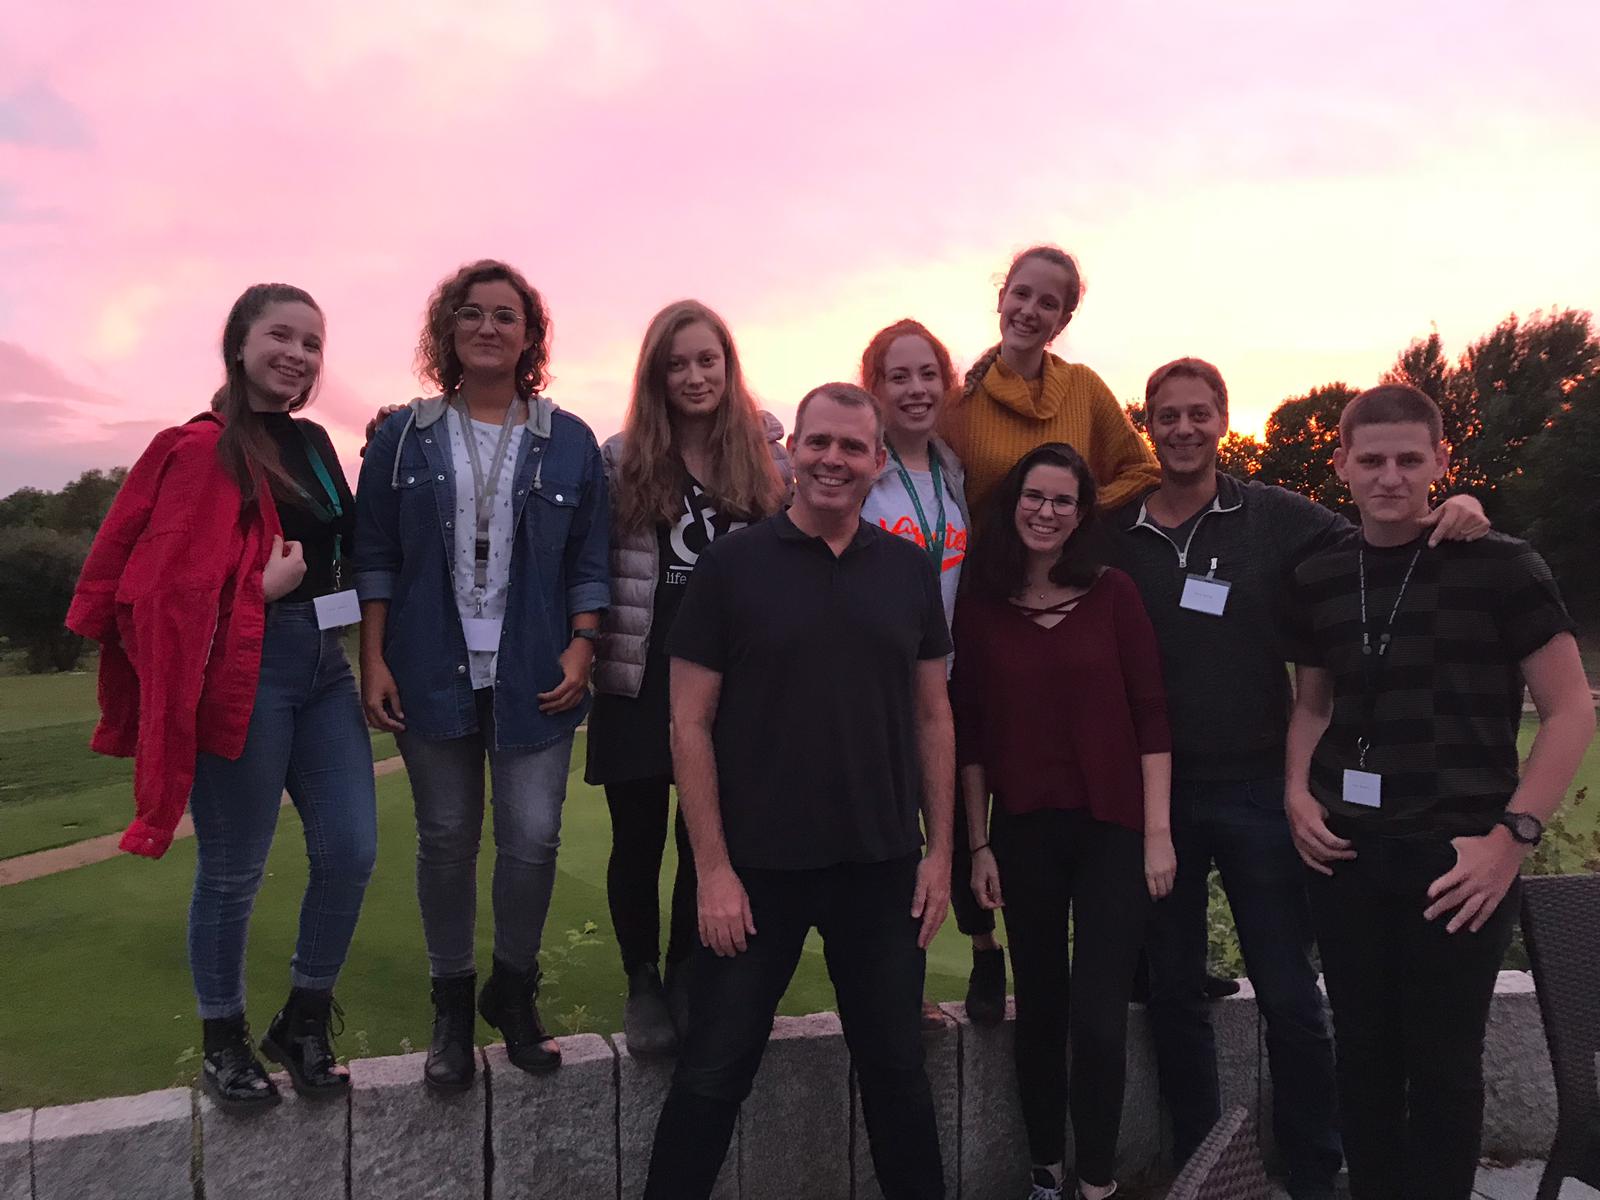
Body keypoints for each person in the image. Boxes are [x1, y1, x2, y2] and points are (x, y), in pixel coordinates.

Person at [1109, 359, 1491, 1198]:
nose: (1182, 428)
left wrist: (1459, 509)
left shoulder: (1276, 516)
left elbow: (1386, 531)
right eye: (1166, 415)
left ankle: (1317, 1170)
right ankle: (1203, 1169)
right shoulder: (1114, 531)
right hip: (1157, 795)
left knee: (1290, 994)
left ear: (1221, 419)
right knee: (1175, 994)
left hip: (1257, 783)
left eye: (1198, 413)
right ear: (1147, 424)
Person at [68, 283, 377, 1112]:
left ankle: (304, 1018)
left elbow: (341, 548)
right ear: (238, 344)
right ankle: (222, 1041)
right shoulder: (201, 448)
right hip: (247, 668)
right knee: (234, 869)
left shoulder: (314, 443)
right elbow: (159, 586)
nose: (299, 354)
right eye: (281, 336)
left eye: (312, 343)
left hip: (324, 665)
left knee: (350, 849)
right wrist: (258, 591)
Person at [643, 384, 954, 1200]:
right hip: (756, 874)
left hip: (881, 867)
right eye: (818, 442)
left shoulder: (908, 571)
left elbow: (933, 717)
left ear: (878, 463)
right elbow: (688, 727)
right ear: (792, 451)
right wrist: (711, 869)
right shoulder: (730, 567)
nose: (832, 460)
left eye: (853, 448)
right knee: (712, 1077)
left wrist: (943, 852)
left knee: (897, 1081)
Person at [1284, 384, 1593, 1200]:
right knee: (1363, 1056)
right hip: (1345, 852)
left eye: (1409, 460)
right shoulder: (1319, 574)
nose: (1390, 476)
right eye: (1372, 459)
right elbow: (1313, 707)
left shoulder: (1501, 564)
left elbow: (1569, 711)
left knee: (1445, 1064)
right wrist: (1296, 796)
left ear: (1441, 463)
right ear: (1343, 464)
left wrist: (1511, 839)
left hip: (1460, 856)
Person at [354, 259, 610, 1092]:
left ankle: (514, 987)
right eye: (473, 314)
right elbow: (377, 557)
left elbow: (590, 558)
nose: (490, 328)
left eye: (507, 316)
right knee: (446, 839)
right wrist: (375, 655)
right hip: (432, 664)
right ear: (449, 330)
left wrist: (583, 644)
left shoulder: (568, 439)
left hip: (537, 666)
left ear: (530, 335)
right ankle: (452, 1005)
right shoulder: (403, 436)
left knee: (533, 837)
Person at [954, 442, 1175, 1200]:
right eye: (1035, 497)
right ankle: (1045, 1169)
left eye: (1062, 502)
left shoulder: (1113, 595)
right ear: (1014, 501)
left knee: (1100, 1017)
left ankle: (1098, 1180)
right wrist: (978, 842)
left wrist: (1157, 834)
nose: (1046, 512)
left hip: (1114, 829)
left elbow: (1151, 716)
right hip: (1023, 833)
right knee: (1040, 1009)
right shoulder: (980, 605)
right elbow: (971, 734)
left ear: (1081, 516)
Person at [588, 299, 789, 1057]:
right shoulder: (621, 457)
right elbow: (591, 565)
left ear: (729, 368)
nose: (695, 376)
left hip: (732, 680)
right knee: (637, 836)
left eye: (708, 361)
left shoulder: (770, 462)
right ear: (656, 375)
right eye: (678, 364)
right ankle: (641, 980)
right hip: (642, 668)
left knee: (703, 831)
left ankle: (683, 972)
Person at [857, 318, 1000, 1028]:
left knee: (963, 819)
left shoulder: (950, 465)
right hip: (879, 687)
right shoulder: (863, 469)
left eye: (927, 375)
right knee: (897, 840)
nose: (916, 390)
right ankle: (900, 988)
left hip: (949, 674)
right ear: (874, 387)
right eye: (899, 376)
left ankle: (985, 953)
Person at [939, 244, 1159, 521]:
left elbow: (1144, 471)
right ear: (1001, 298)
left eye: (1047, 303)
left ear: (1062, 322)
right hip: (980, 564)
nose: (1029, 310)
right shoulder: (958, 403)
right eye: (1021, 294)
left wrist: (1080, 508)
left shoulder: (1084, 388)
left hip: (1066, 564)